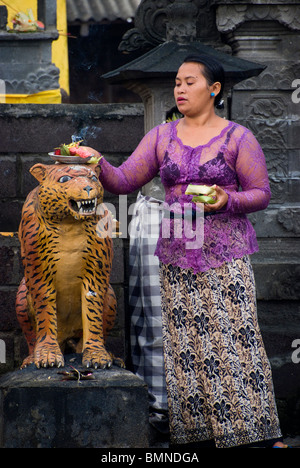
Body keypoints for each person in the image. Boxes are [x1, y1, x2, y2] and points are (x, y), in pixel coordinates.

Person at [92, 54, 287, 448]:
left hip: (225, 254)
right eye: (177, 82)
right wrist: (94, 161)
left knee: (234, 342)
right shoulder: (163, 136)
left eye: (190, 82)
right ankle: (196, 439)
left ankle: (254, 438)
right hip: (177, 255)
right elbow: (125, 179)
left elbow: (261, 193)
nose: (180, 88)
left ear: (214, 89)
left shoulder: (238, 137)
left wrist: (225, 199)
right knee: (186, 345)